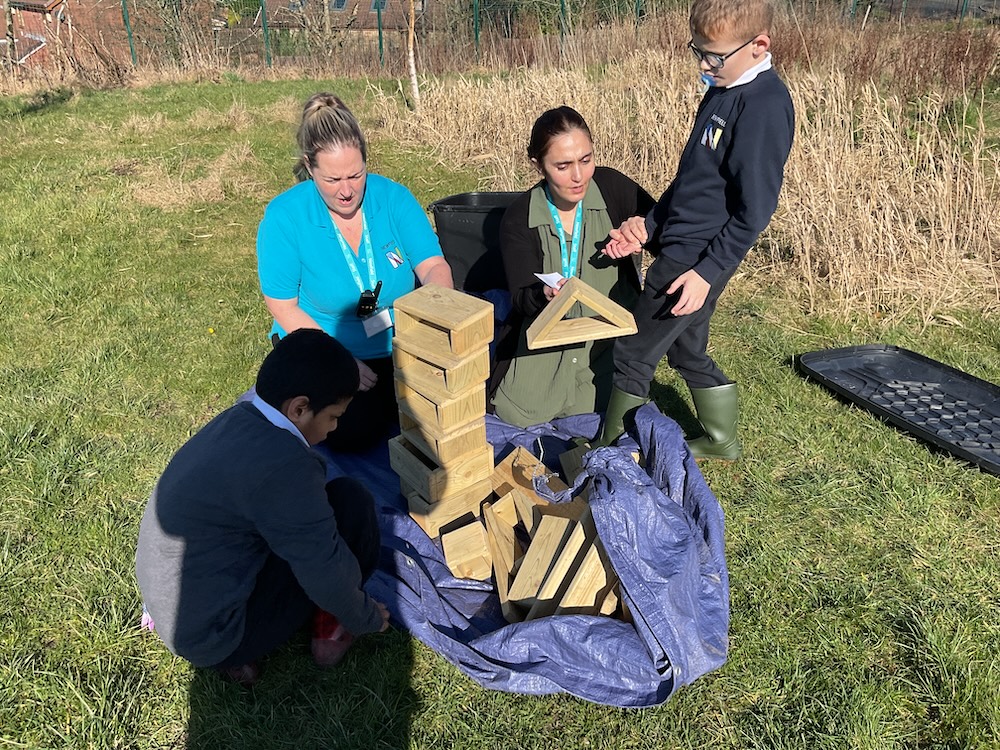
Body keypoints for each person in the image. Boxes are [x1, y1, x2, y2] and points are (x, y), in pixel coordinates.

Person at [135, 329, 391, 686]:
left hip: (173, 607)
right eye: (333, 416)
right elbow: (324, 568)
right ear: (299, 408)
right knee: (351, 501)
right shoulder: (285, 467)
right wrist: (365, 616)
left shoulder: (239, 417)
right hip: (216, 636)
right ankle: (331, 632)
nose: (335, 428)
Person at [597, 0, 795, 458]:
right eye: (699, 52)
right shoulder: (722, 89)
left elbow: (755, 209)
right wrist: (649, 225)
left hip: (697, 256)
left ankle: (606, 452)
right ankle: (722, 441)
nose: (705, 65)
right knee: (685, 347)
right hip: (682, 242)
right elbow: (693, 181)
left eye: (715, 56)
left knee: (632, 351)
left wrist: (708, 272)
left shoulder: (763, 106)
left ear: (758, 45)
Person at [257, 93, 453, 451]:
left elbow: (434, 266)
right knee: (353, 431)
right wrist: (340, 360)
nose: (346, 191)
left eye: (356, 175)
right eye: (332, 180)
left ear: (366, 162)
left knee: (442, 408)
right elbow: (283, 306)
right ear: (309, 167)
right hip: (323, 344)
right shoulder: (286, 216)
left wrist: (435, 319)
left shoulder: (393, 198)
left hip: (397, 338)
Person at [490, 106, 655, 427]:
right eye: (563, 166)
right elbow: (523, 297)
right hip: (547, 343)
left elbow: (670, 233)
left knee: (616, 420)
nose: (579, 176)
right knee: (516, 416)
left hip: (609, 340)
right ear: (538, 165)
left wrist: (644, 232)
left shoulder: (613, 188)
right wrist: (546, 294)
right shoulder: (518, 217)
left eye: (586, 159)